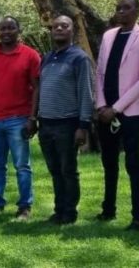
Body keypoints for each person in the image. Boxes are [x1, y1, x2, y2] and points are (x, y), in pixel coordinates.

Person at [94, 0, 139, 230]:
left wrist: (116, 108)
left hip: (129, 111)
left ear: (137, 10)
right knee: (109, 162)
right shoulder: (109, 35)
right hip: (104, 110)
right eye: (118, 8)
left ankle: (138, 217)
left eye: (127, 8)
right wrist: (101, 105)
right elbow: (100, 72)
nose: (122, 11)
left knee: (133, 163)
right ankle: (108, 209)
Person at [0, 17, 40, 221]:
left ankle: (25, 206)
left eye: (11, 28)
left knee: (22, 165)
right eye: (2, 28)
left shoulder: (30, 55)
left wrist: (33, 117)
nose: (6, 32)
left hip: (19, 118)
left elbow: (37, 87)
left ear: (18, 30)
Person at [36, 15, 94, 225]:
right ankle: (58, 209)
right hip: (46, 124)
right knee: (54, 170)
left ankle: (70, 212)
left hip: (67, 124)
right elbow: (40, 89)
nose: (59, 29)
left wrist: (83, 126)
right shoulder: (47, 58)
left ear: (72, 31)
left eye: (64, 26)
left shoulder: (79, 58)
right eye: (55, 26)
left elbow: (86, 93)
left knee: (68, 170)